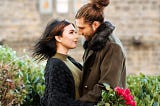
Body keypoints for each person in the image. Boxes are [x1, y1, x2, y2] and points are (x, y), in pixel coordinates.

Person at [33, 19, 94, 106]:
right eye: (71, 32)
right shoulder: (55, 65)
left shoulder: (69, 60)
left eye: (75, 32)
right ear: (58, 38)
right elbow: (58, 102)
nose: (76, 36)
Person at [75, 0, 126, 103]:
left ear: (95, 25)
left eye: (82, 28)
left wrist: (79, 103)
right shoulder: (92, 43)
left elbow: (107, 86)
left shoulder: (112, 47)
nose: (79, 33)